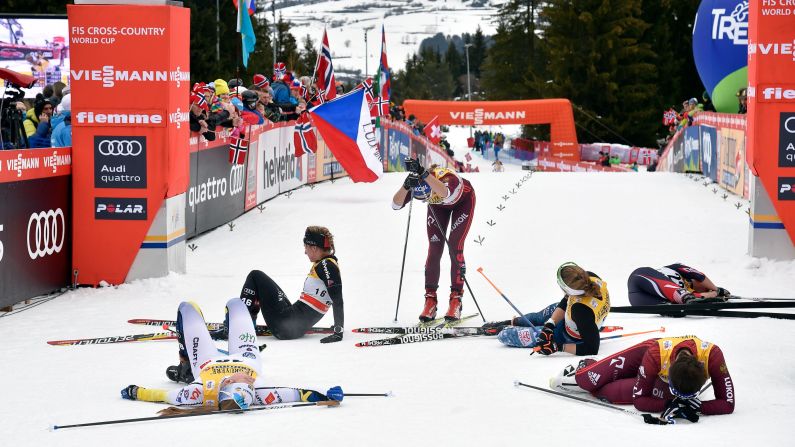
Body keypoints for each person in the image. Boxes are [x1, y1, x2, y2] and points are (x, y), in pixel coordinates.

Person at [121, 298, 343, 412]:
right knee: (236, 304)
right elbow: (299, 394)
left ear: (225, 386)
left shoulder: (198, 393)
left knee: (187, 307)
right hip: (246, 358)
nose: (248, 381)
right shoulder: (261, 394)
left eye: (242, 384)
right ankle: (228, 332)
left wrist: (135, 391)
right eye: (249, 385)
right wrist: (327, 394)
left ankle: (185, 365)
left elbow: (160, 396)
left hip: (207, 361)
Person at [550, 335, 735, 424]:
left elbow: (728, 404)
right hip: (646, 354)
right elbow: (640, 401)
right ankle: (588, 365)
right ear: (669, 374)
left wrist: (698, 406)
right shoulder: (656, 355)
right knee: (587, 381)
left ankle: (607, 373)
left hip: (658, 376)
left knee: (608, 393)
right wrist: (668, 403)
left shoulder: (713, 356)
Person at [392, 159, 476, 322]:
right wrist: (405, 186)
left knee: (455, 246)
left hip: (463, 203)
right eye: (424, 196)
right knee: (434, 249)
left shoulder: (447, 179)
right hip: (439, 207)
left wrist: (425, 174)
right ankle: (430, 299)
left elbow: (445, 193)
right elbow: (396, 205)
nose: (426, 197)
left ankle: (456, 299)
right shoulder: (422, 184)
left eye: (428, 194)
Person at [236, 226, 344, 343]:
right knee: (264, 284)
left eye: (306, 247)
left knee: (255, 276)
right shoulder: (327, 264)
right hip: (292, 324)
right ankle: (248, 320)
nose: (305, 252)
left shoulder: (326, 265)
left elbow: (337, 299)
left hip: (284, 326)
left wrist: (338, 331)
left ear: (313, 248)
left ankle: (243, 325)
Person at [483, 262, 610, 356]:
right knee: (538, 317)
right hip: (572, 317)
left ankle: (504, 329)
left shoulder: (581, 310)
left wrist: (558, 347)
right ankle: (512, 322)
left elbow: (592, 348)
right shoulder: (589, 278)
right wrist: (550, 324)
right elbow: (567, 300)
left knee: (505, 335)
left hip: (569, 335)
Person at [627, 263, 731, 306]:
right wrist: (716, 290)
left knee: (675, 306)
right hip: (640, 277)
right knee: (680, 294)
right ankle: (680, 295)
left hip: (638, 298)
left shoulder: (691, 295)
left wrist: (709, 295)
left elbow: (697, 297)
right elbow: (700, 276)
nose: (705, 288)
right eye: (707, 287)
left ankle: (669, 308)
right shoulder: (678, 269)